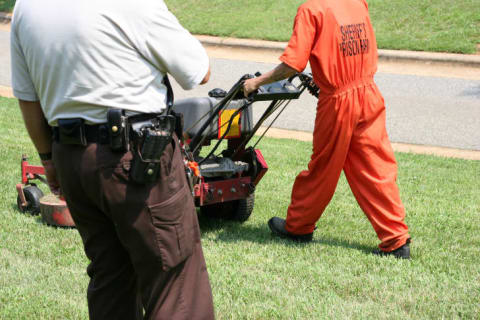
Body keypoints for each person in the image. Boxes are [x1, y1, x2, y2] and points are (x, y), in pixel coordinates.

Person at [11, 0, 215, 318]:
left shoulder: (26, 6)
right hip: (137, 158)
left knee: (110, 279)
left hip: (71, 158)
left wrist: (47, 160)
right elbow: (199, 70)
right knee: (175, 286)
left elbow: (27, 96)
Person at [243, 0, 411, 259]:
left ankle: (298, 227)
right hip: (368, 93)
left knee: (322, 168)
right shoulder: (357, 3)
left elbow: (292, 65)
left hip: (338, 102)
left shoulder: (311, 10)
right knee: (376, 167)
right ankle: (396, 240)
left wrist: (257, 82)